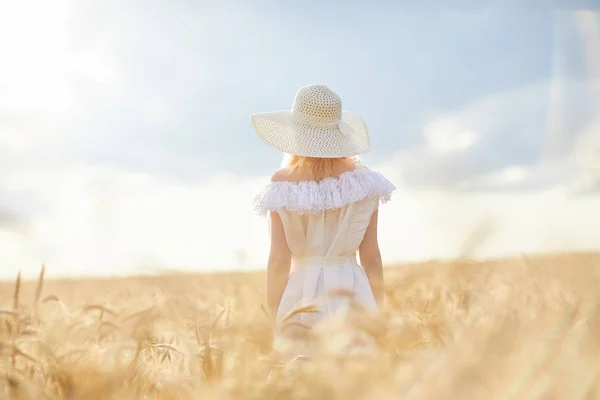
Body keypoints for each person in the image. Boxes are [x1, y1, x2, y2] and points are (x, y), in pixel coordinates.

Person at [251, 84, 395, 356]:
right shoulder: (366, 183)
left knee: (300, 375)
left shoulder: (282, 182)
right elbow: (371, 257)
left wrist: (273, 314)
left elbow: (279, 259)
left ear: (296, 133)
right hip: (352, 290)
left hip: (301, 293)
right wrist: (378, 312)